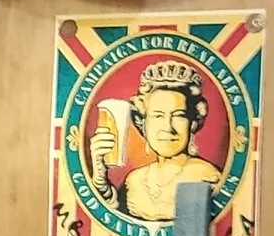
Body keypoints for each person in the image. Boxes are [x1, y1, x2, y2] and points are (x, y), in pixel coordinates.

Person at [91, 57, 218, 225]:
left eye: (178, 116)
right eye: (158, 116)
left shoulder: (206, 176)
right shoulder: (134, 180)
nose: (167, 127)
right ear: (143, 123)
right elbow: (115, 222)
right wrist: (101, 182)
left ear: (192, 122)